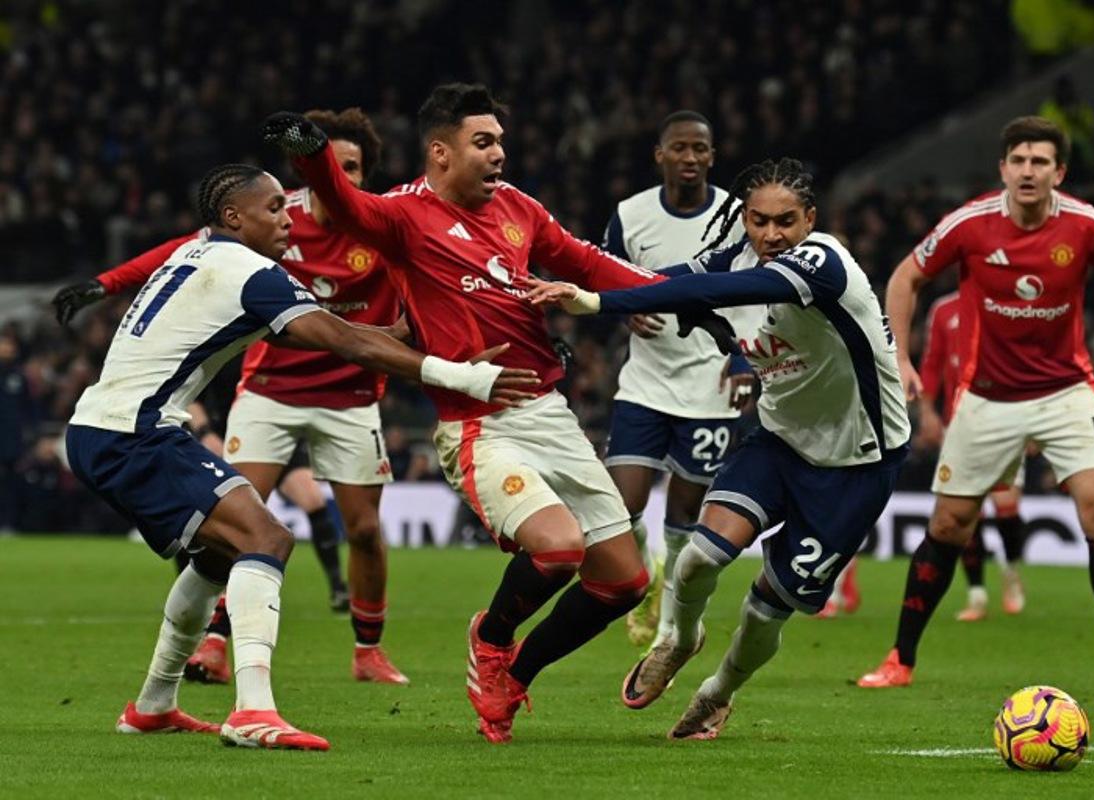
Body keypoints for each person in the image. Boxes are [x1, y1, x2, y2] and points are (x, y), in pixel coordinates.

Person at [265, 84, 740, 744]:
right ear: (441, 153)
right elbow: (342, 201)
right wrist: (305, 146)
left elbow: (591, 264)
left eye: (501, 143)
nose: (499, 155)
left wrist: (698, 298)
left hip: (549, 411)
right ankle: (489, 639)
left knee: (625, 580)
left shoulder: (519, 208)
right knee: (557, 548)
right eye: (483, 143)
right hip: (479, 425)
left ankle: (516, 674)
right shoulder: (403, 216)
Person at [64, 163, 537, 750]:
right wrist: (460, 375)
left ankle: (154, 705)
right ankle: (253, 712)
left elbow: (314, 333)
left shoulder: (199, 256)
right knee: (267, 539)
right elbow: (342, 339)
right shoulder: (248, 269)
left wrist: (405, 333)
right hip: (134, 434)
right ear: (233, 217)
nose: (287, 220)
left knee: (217, 557)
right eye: (273, 210)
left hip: (108, 428)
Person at [528, 157, 911, 740]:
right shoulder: (737, 256)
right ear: (745, 219)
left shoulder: (823, 263)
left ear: (810, 218)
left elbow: (712, 288)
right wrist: (568, 275)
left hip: (857, 463)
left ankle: (718, 692)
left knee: (765, 605)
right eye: (759, 221)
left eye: (786, 221)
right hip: (780, 441)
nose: (772, 235)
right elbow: (660, 283)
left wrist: (598, 304)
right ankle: (680, 638)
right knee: (700, 556)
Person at [54, 109, 414, 685]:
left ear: (365, 175)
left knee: (363, 529)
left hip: (348, 393)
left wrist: (420, 336)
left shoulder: (380, 228)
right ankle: (226, 659)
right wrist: (108, 283)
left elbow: (413, 295)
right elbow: (185, 246)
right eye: (331, 165)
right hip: (269, 388)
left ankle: (366, 650)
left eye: (352, 169)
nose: (339, 178)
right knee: (246, 529)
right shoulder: (273, 221)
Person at [858, 115, 1094, 696]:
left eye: (1040, 161)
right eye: (1018, 160)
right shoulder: (971, 224)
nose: (1028, 171)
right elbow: (904, 279)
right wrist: (899, 358)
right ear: (1002, 168)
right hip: (988, 398)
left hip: (1067, 390)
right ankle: (900, 657)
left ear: (1059, 172)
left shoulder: (1086, 225)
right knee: (950, 523)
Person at [601, 110, 756, 648]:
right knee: (622, 507)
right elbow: (607, 277)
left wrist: (743, 357)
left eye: (700, 150)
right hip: (644, 382)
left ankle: (669, 621)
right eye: (680, 149)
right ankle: (647, 582)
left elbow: (756, 287)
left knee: (685, 512)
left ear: (712, 157)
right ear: (660, 155)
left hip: (709, 387)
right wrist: (623, 312)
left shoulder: (739, 216)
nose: (690, 158)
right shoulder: (630, 214)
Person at [916, 290, 1026, 621]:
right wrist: (927, 412)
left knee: (1007, 510)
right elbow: (932, 362)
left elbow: (1026, 359)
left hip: (1008, 419)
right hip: (959, 425)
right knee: (966, 511)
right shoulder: (943, 308)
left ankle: (1012, 572)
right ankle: (976, 594)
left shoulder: (1011, 301)